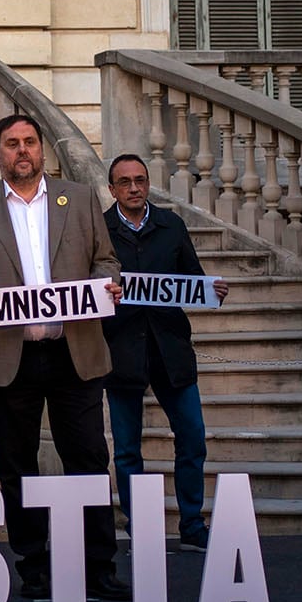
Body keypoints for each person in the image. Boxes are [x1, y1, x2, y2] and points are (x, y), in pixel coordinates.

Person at [0, 113, 130, 602]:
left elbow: (106, 259)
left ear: (41, 151)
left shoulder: (81, 198)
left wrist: (107, 283)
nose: (22, 151)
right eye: (12, 144)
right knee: (15, 465)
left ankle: (99, 567)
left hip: (75, 353)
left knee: (89, 459)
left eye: (29, 142)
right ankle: (34, 567)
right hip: (8, 358)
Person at [102, 153, 227, 554]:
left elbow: (191, 279)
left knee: (192, 438)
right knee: (126, 449)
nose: (135, 187)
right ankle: (140, 527)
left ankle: (192, 523)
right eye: (125, 182)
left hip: (171, 350)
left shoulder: (171, 225)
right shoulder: (99, 230)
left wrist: (211, 290)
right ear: (112, 189)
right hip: (121, 351)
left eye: (140, 180)